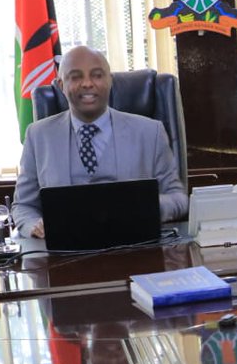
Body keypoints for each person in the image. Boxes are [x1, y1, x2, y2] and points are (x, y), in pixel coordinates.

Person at [12, 45, 188, 238]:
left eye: (97, 75)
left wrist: (147, 206)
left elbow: (179, 198)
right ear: (61, 85)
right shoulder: (38, 135)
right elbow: (23, 206)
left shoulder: (150, 132)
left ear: (109, 80)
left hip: (135, 246)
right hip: (64, 250)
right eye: (76, 77)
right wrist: (34, 226)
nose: (87, 83)